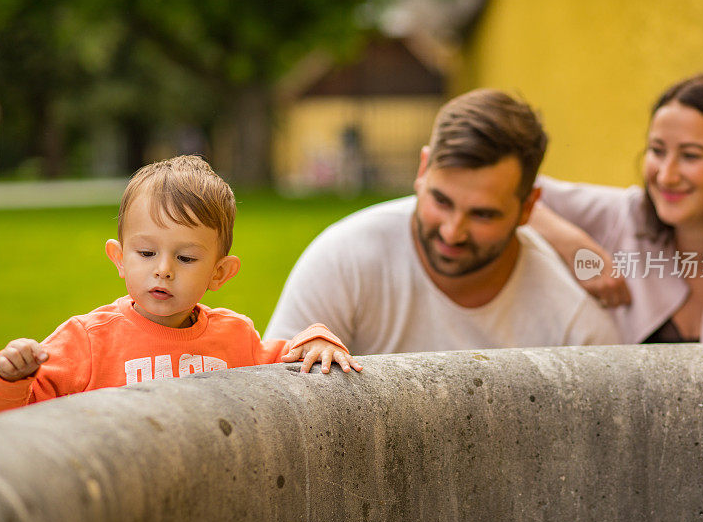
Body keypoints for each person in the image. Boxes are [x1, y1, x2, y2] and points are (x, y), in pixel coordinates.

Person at [264, 89, 620, 354]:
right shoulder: (344, 258)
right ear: (422, 170)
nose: (452, 232)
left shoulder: (576, 325)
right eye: (441, 200)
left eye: (483, 214)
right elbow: (278, 392)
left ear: (528, 209)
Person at [0, 155, 361, 412]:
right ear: (120, 258)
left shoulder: (235, 338)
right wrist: (11, 378)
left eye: (185, 258)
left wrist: (317, 338)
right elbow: (22, 423)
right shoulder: (87, 341)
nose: (164, 270)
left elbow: (288, 358)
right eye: (146, 253)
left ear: (219, 273)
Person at [531, 73, 703, 343]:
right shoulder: (625, 217)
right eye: (657, 151)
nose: (666, 176)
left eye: (691, 155)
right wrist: (574, 245)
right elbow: (513, 190)